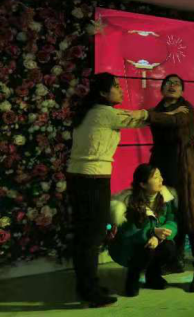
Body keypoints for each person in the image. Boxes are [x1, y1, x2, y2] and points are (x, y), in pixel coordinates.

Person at [67, 73, 149, 307]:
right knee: (92, 237)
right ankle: (90, 291)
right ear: (103, 93)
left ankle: (86, 285)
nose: (121, 90)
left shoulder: (90, 111)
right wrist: (160, 113)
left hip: (80, 177)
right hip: (92, 179)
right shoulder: (104, 113)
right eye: (116, 86)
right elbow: (138, 120)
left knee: (85, 236)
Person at [147, 74, 194, 293]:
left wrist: (152, 115)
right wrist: (157, 114)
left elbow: (173, 121)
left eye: (177, 84)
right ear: (161, 89)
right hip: (162, 169)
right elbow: (159, 121)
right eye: (168, 83)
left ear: (182, 90)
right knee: (170, 215)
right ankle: (175, 260)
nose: (173, 86)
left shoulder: (186, 109)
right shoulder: (159, 109)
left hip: (186, 169)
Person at [109, 165, 178, 297]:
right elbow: (128, 234)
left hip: (155, 239)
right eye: (156, 177)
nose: (161, 180)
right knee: (145, 249)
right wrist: (152, 233)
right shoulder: (128, 202)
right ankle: (132, 278)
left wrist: (158, 237)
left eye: (160, 176)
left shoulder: (165, 198)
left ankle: (153, 276)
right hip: (130, 247)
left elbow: (172, 221)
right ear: (143, 184)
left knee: (169, 247)